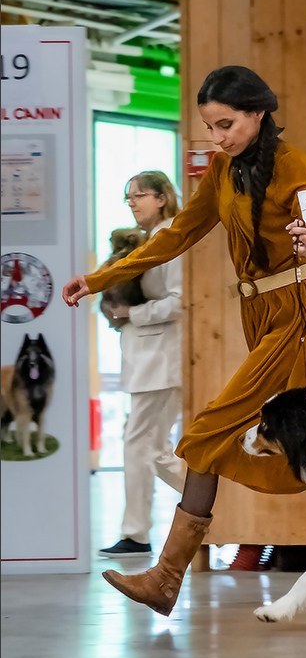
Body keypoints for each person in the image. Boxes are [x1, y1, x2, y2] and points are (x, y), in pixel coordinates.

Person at [62, 65, 306, 616]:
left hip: (299, 317)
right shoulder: (222, 171)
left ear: (258, 113)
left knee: (207, 433)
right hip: (261, 316)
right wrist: (97, 278)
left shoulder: (296, 167)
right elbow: (176, 235)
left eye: (225, 124)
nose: (217, 138)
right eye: (210, 128)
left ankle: (166, 579)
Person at [98, 171, 185, 559]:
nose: (132, 202)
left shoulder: (173, 239)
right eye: (127, 197)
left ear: (163, 197)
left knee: (144, 446)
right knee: (151, 448)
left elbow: (181, 301)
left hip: (162, 359)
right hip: (146, 358)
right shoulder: (143, 242)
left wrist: (133, 313)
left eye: (139, 195)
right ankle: (223, 505)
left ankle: (136, 533)